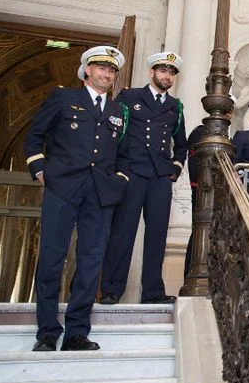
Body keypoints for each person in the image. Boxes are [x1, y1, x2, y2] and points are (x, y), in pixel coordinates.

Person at [24, 46, 129, 351]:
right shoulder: (63, 98)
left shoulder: (117, 111)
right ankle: (47, 332)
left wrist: (120, 179)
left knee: (90, 262)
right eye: (102, 68)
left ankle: (76, 333)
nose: (107, 74)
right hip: (63, 188)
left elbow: (123, 153)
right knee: (52, 257)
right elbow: (34, 136)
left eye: (112, 70)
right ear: (87, 70)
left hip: (100, 194)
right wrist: (40, 171)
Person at [101, 52, 188, 306]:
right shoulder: (130, 97)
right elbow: (114, 131)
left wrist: (175, 167)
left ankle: (152, 291)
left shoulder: (175, 106)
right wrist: (117, 169)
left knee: (157, 235)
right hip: (132, 172)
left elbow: (181, 144)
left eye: (171, 73)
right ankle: (111, 290)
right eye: (163, 71)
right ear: (152, 72)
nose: (167, 76)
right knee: (123, 232)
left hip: (160, 177)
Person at [184, 100, 234, 278]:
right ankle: (191, 274)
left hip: (221, 193)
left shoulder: (228, 138)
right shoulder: (200, 132)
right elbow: (196, 165)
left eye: (229, 112)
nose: (227, 115)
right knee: (199, 233)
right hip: (202, 190)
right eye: (225, 112)